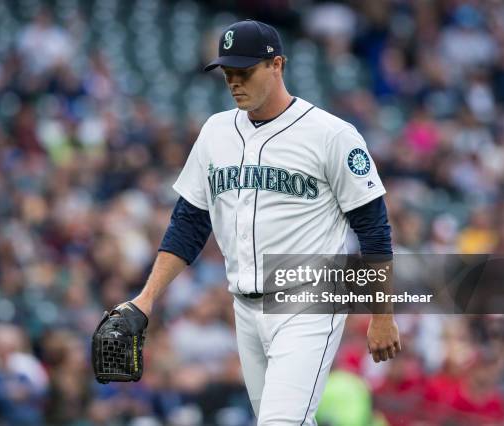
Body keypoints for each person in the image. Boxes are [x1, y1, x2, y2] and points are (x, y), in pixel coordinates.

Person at [126, 19, 401, 425]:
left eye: (245, 72)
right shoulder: (215, 132)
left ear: (277, 65)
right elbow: (188, 224)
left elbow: (374, 228)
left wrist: (382, 314)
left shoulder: (330, 134)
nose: (234, 82)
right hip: (245, 307)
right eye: (228, 73)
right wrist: (146, 298)